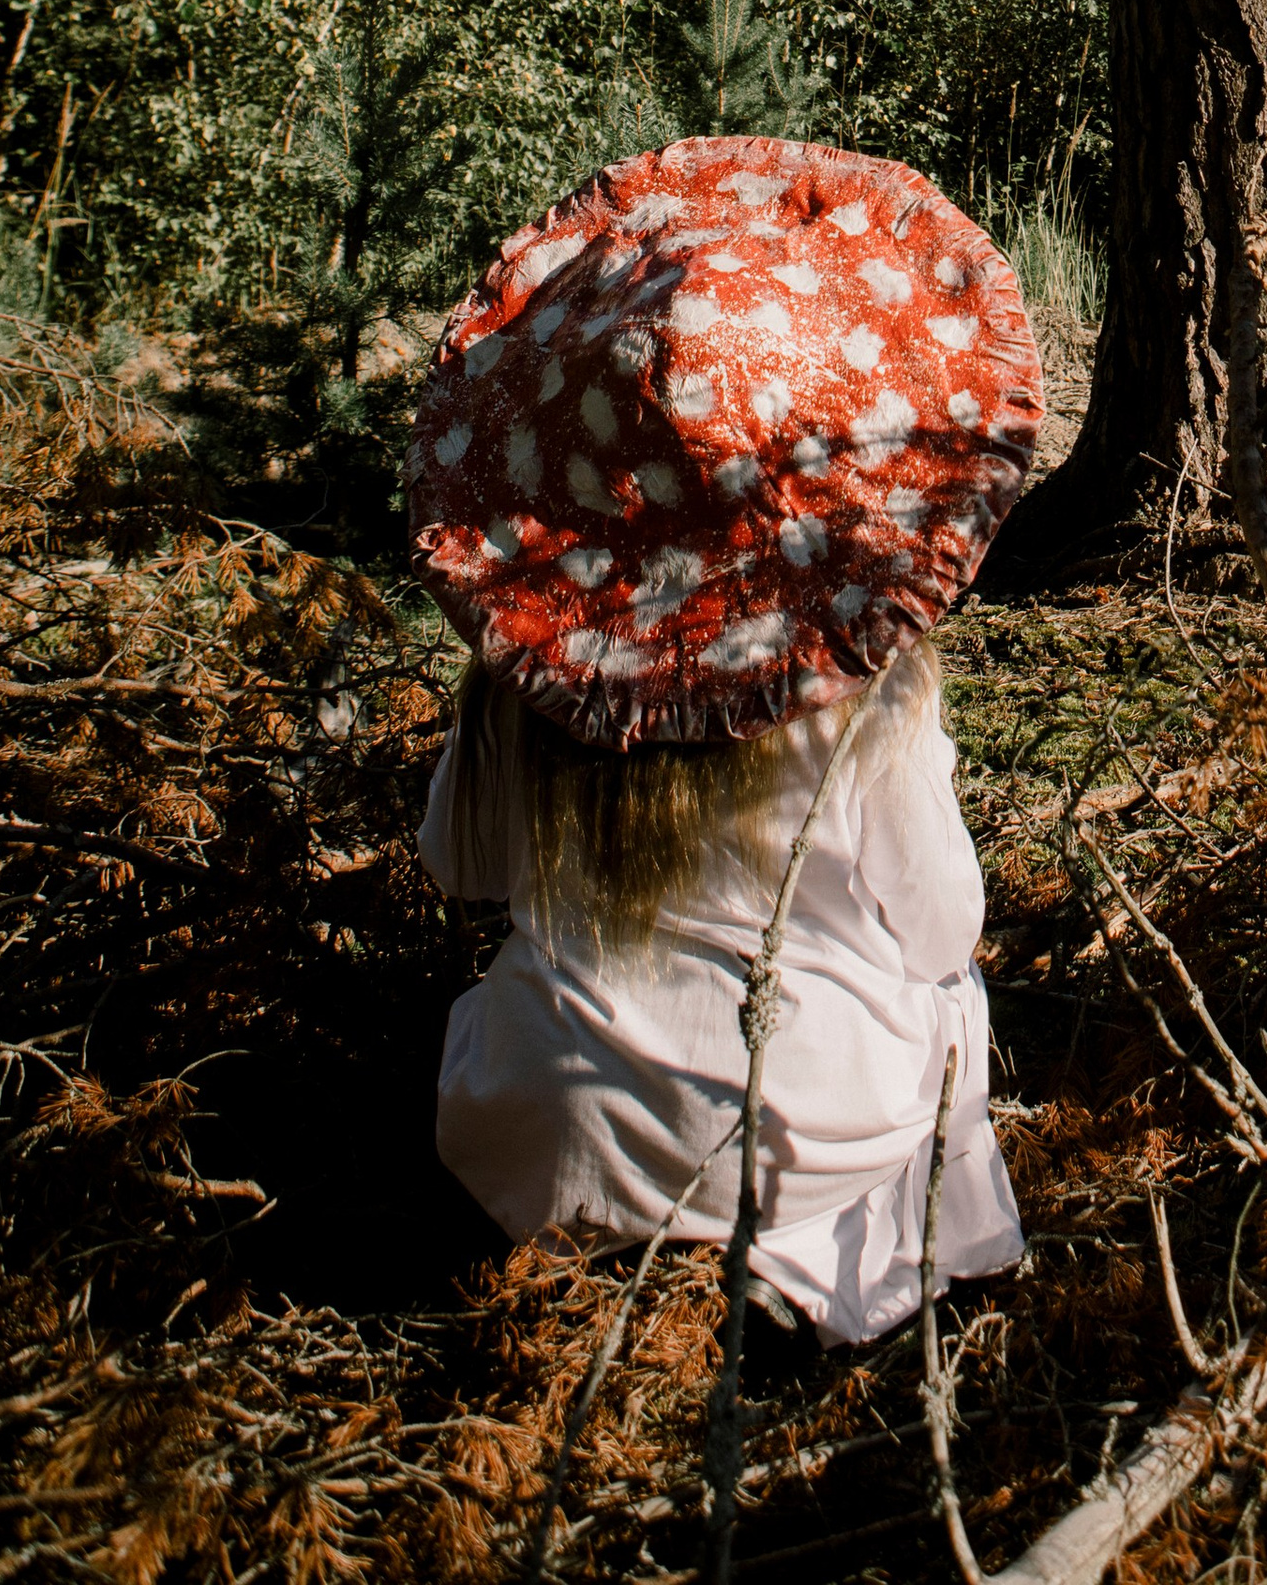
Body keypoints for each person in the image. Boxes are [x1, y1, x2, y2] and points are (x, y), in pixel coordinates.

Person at [408, 130, 1044, 1340]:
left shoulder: (528, 670)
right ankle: (839, 1273)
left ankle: (607, 1250)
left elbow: (461, 868)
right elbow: (941, 925)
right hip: (804, 1130)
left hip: (550, 1127)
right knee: (950, 996)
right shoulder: (865, 686)